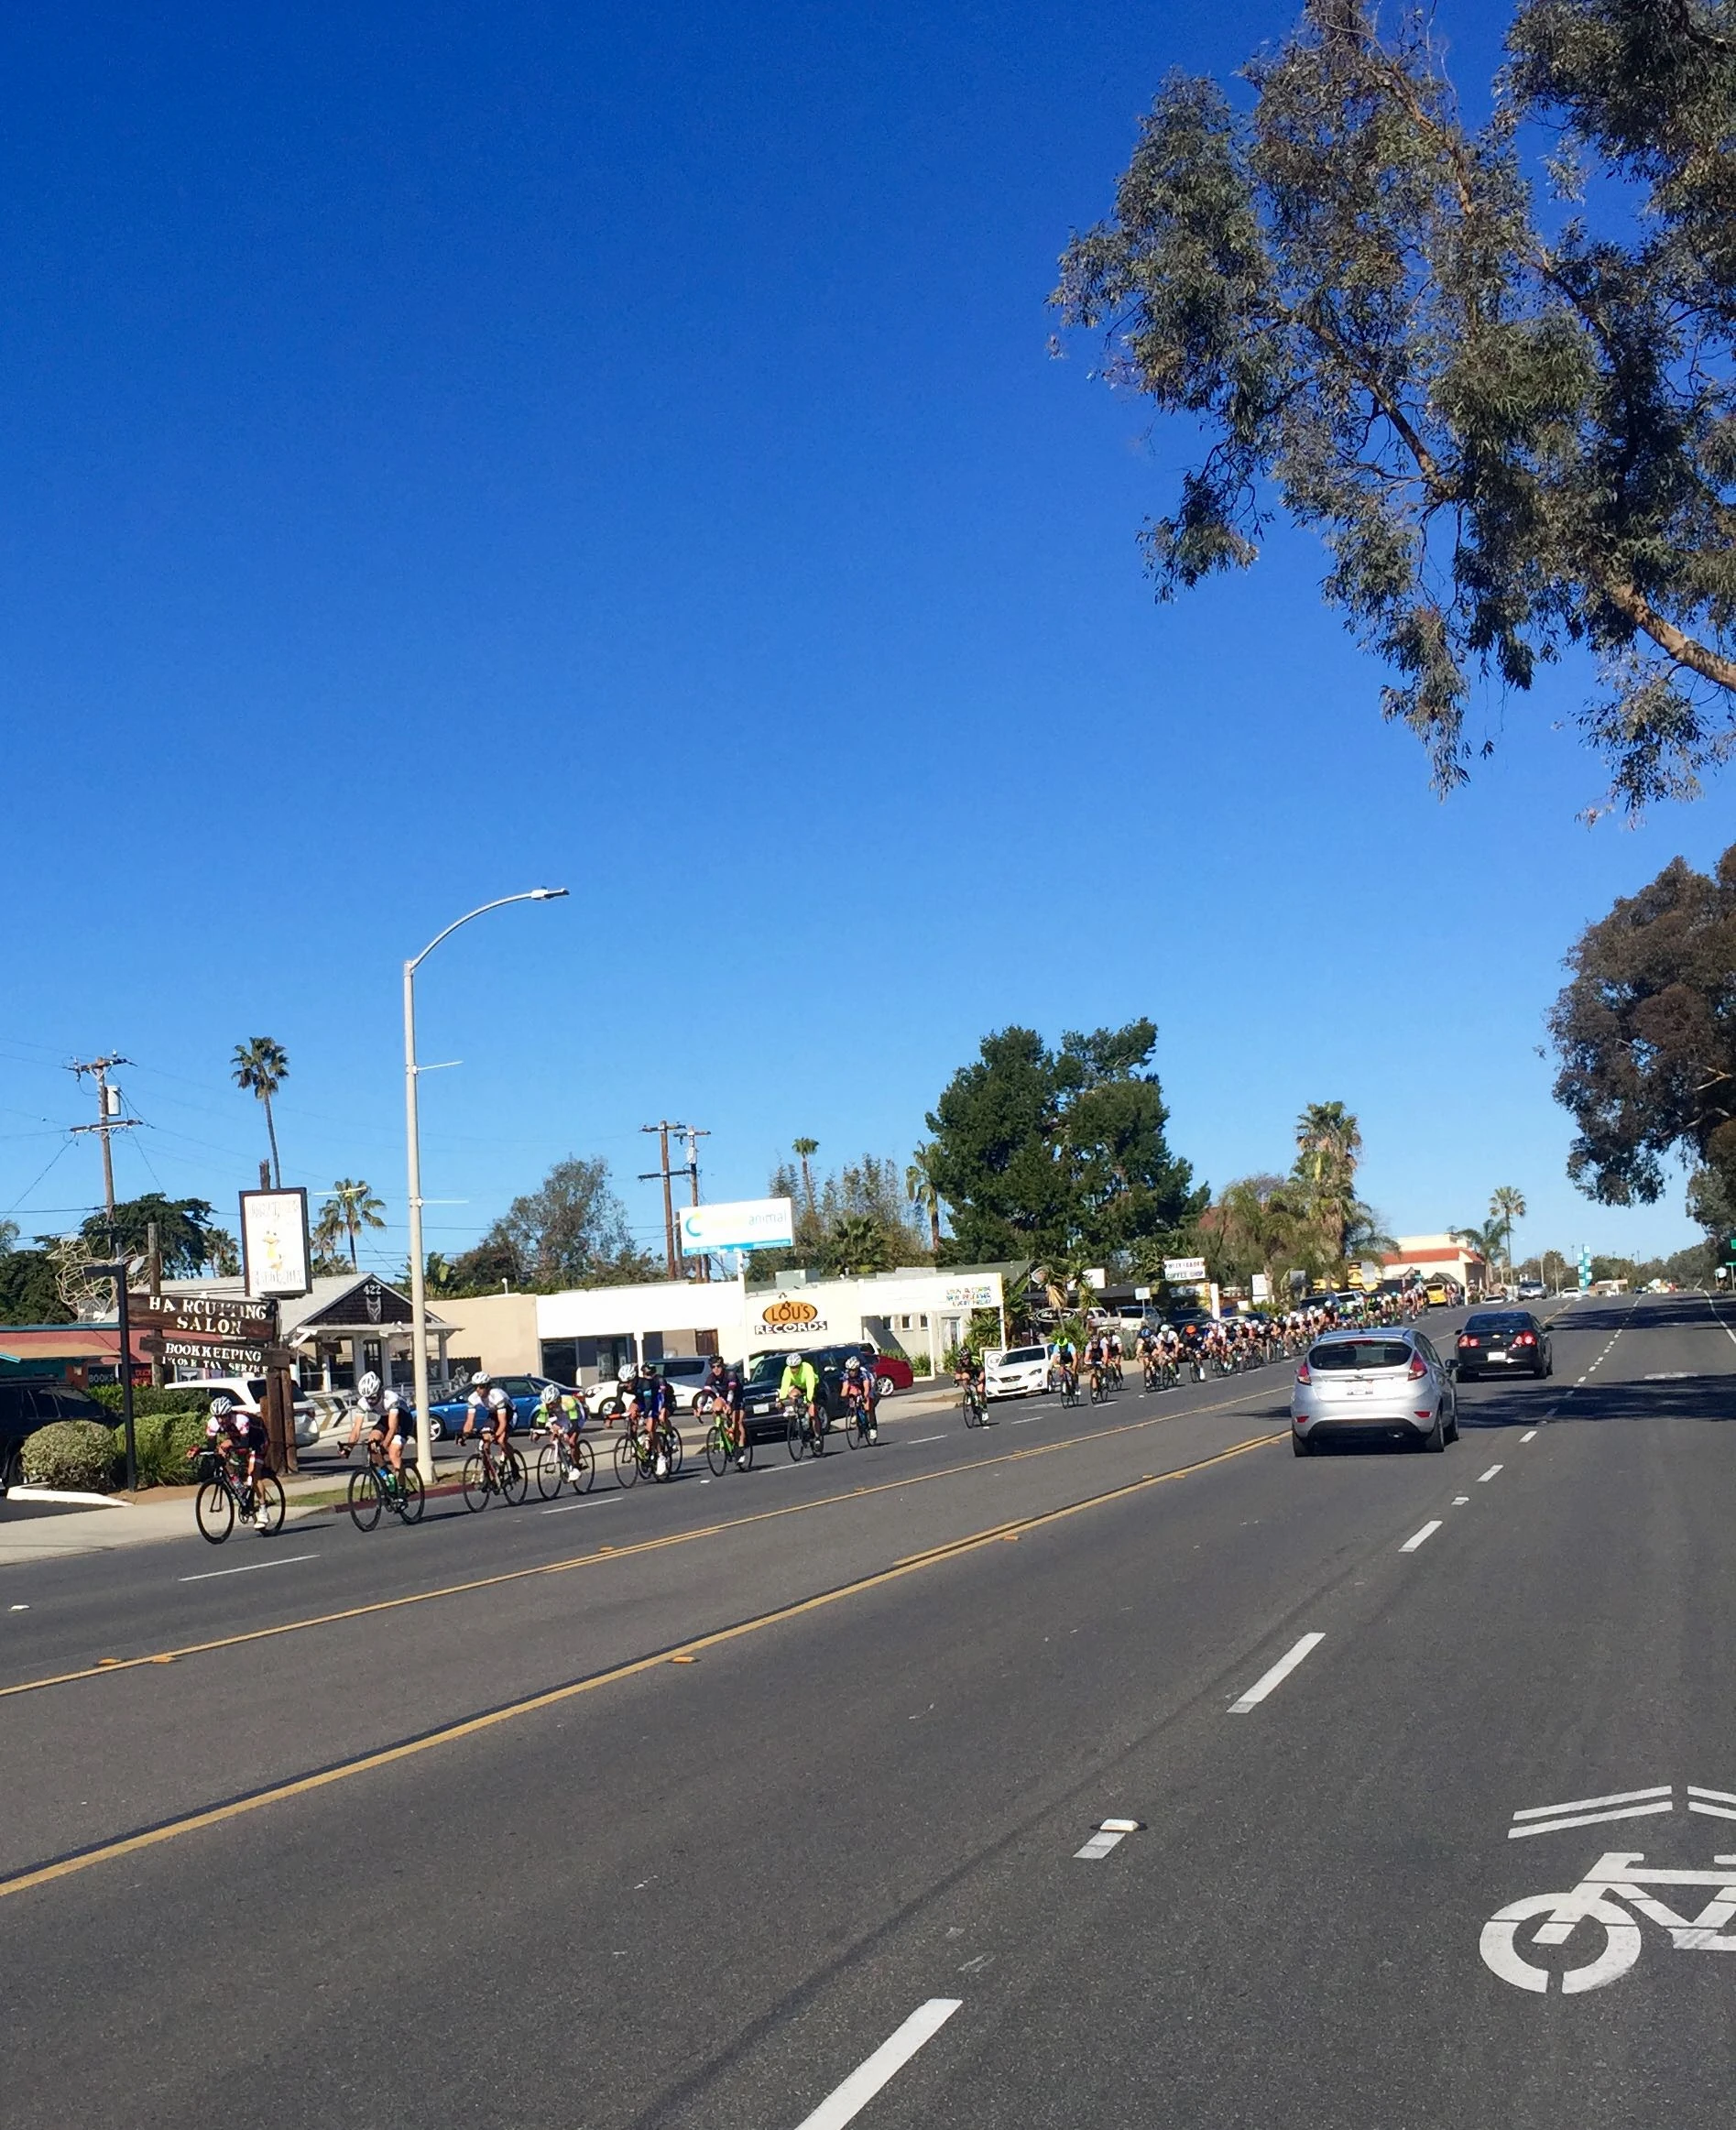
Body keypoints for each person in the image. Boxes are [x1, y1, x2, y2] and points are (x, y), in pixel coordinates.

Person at [192, 1393, 269, 1507]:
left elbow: (245, 1444)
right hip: (239, 1439)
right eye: (217, 1416)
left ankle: (263, 1508)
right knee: (222, 1456)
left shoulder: (241, 1420)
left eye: (223, 1416)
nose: (220, 1420)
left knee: (254, 1474)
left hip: (258, 1440)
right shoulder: (213, 1423)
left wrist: (229, 1443)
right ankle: (239, 1487)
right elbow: (211, 1446)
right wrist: (198, 1450)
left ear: (229, 1414)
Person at [342, 1370, 408, 1477]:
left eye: (372, 1398)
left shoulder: (390, 1398)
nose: (370, 1402)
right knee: (372, 1443)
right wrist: (348, 1448)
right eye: (367, 1398)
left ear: (380, 1391)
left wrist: (384, 1446)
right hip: (385, 1418)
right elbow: (356, 1429)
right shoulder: (363, 1402)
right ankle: (387, 1475)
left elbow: (393, 1428)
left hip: (402, 1420)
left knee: (393, 1453)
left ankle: (401, 1488)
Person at [462, 1370, 513, 1457]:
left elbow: (503, 1422)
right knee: (485, 1439)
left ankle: (513, 1464)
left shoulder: (497, 1396)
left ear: (488, 1386)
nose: (478, 1390)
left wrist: (496, 1435)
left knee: (501, 1440)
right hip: (493, 1414)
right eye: (475, 1387)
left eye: (481, 1387)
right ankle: (490, 1465)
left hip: (509, 1414)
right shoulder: (473, 1398)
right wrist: (464, 1436)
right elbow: (469, 1421)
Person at [779, 1350, 821, 1443]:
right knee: (792, 1395)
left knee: (812, 1411)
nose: (793, 1370)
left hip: (812, 1386)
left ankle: (817, 1437)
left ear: (800, 1365)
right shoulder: (787, 1371)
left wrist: (808, 1400)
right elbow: (784, 1385)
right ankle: (796, 1414)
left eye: (796, 1367)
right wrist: (781, 1399)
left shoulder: (807, 1368)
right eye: (792, 1367)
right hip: (800, 1387)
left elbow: (810, 1385)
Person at [840, 1354, 878, 1442]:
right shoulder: (846, 1375)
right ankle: (854, 1413)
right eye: (850, 1370)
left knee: (868, 1406)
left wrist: (864, 1397)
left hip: (868, 1384)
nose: (852, 1372)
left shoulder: (863, 1373)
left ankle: (872, 1428)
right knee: (852, 1393)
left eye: (853, 1370)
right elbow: (845, 1389)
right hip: (856, 1386)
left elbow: (867, 1388)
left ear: (857, 1369)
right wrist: (844, 1396)